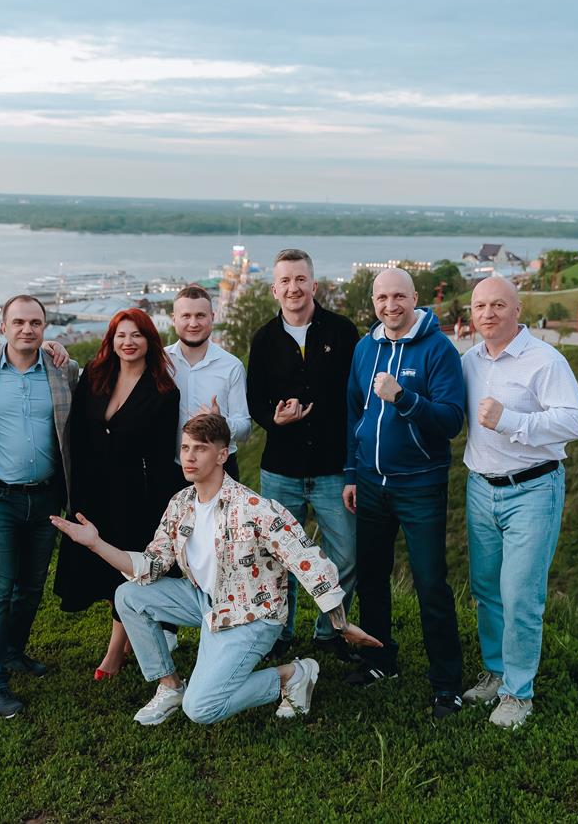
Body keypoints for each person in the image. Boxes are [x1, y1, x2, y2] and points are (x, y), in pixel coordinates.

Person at [50, 414, 381, 725]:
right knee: (128, 595)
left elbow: (307, 559)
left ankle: (293, 675)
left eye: (200, 449)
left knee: (201, 708)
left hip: (252, 614)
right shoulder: (180, 504)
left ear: (222, 455)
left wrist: (339, 622)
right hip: (206, 600)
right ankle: (170, 686)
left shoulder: (254, 508)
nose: (190, 457)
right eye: (185, 448)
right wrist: (96, 543)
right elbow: (151, 565)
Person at [460, 277, 578, 728]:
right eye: (480, 306)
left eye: (498, 305)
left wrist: (510, 420)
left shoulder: (545, 360)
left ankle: (519, 694)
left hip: (533, 490)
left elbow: (577, 422)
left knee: (520, 596)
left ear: (518, 310)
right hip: (480, 488)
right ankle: (496, 673)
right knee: (486, 590)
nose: (488, 314)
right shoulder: (469, 361)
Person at [343, 268, 467, 717]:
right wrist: (351, 473)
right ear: (373, 302)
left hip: (420, 486)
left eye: (399, 296)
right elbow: (354, 413)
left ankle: (447, 684)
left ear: (415, 298)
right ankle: (380, 661)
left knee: (430, 584)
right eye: (382, 298)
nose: (390, 305)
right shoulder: (365, 348)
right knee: (372, 577)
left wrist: (403, 398)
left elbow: (451, 421)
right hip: (370, 483)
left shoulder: (438, 349)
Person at [0, 294, 79, 720]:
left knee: (31, 586)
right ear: (3, 326)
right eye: (19, 322)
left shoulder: (64, 370)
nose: (27, 329)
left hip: (46, 496)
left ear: (45, 328)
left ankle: (12, 652)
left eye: (36, 323)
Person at [246, 248, 361, 663]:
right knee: (279, 557)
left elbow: (357, 397)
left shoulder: (343, 331)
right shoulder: (263, 339)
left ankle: (329, 632)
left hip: (333, 468)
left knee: (346, 556)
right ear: (274, 289)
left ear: (313, 284)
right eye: (285, 281)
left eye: (300, 279)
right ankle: (281, 632)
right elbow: (255, 402)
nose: (293, 287)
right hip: (282, 469)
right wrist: (275, 419)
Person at [53, 307, 180, 680]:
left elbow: (161, 456)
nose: (128, 342)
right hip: (92, 489)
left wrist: (162, 509)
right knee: (100, 567)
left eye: (136, 335)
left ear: (149, 341)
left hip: (135, 494)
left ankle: (114, 652)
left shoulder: (164, 391)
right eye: (121, 335)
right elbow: (76, 433)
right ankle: (128, 639)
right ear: (111, 341)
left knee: (126, 570)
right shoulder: (94, 375)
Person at [165, 284, 250, 480]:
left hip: (220, 469)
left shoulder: (232, 366)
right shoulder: (160, 363)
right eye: (186, 316)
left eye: (200, 316)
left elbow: (245, 429)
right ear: (174, 319)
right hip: (171, 469)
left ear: (212, 317)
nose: (193, 323)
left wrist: (220, 422)